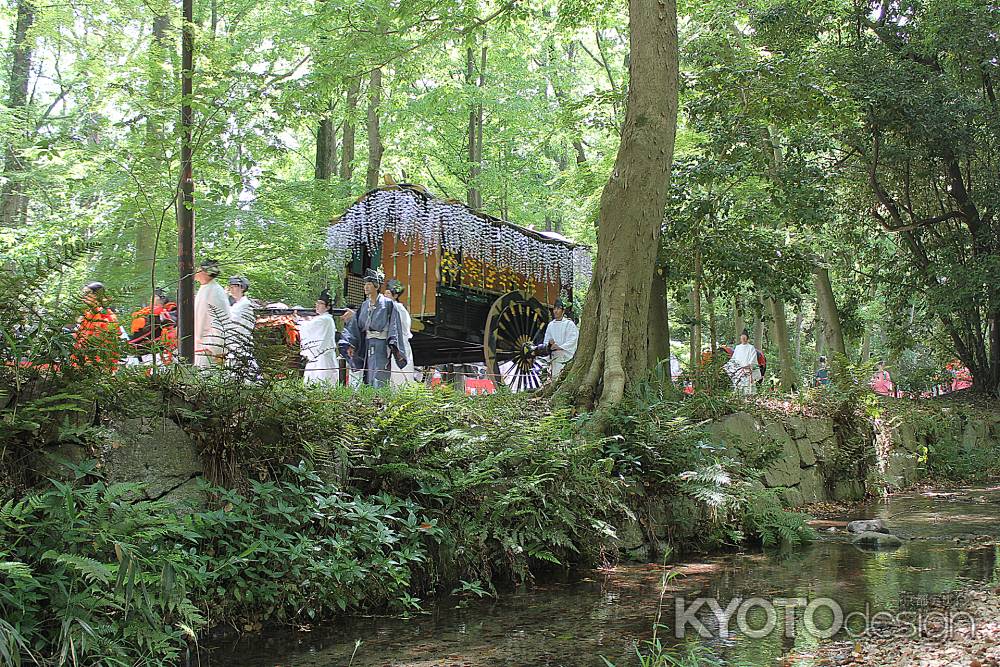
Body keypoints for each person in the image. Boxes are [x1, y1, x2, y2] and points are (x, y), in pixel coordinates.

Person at [338, 269, 407, 388]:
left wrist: (395, 347)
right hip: (367, 343)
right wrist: (351, 344)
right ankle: (369, 402)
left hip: (382, 343)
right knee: (368, 374)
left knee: (380, 373)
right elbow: (356, 326)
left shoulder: (388, 304)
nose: (366, 287)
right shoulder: (364, 305)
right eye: (365, 284)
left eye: (369, 284)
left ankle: (380, 401)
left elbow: (394, 326)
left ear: (376, 286)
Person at [74, 281, 123, 368]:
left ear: (97, 295)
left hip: (100, 360)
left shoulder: (109, 316)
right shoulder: (86, 315)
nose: (83, 296)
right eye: (83, 293)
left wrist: (94, 310)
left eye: (87, 293)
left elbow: (108, 335)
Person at [297, 288, 339, 386]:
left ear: (327, 307)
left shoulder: (325, 319)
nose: (317, 305)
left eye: (320, 303)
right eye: (317, 303)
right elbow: (311, 324)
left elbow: (308, 327)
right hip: (319, 356)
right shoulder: (324, 319)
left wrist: (298, 320)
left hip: (322, 356)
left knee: (322, 381)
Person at [193, 259, 230, 368]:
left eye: (199, 269)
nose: (196, 271)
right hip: (201, 345)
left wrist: (215, 347)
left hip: (209, 347)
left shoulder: (215, 291)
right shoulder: (205, 288)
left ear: (206, 272)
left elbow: (221, 320)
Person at [128, 287, 177, 363]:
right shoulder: (143, 314)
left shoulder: (171, 312)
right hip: (146, 351)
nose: (152, 300)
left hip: (160, 352)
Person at [385, 278, 415, 387]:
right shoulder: (389, 307)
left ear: (395, 296)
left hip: (399, 344)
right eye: (385, 293)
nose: (385, 296)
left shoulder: (397, 307)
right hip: (393, 343)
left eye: (388, 293)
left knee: (400, 375)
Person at [226, 275, 258, 374]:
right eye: (230, 286)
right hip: (234, 344)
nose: (231, 289)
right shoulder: (236, 305)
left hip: (240, 343)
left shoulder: (245, 305)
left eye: (234, 286)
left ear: (242, 288)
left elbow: (229, 319)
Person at [541, 298, 579, 379]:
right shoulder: (551, 325)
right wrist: (549, 345)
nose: (555, 311)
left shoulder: (569, 324)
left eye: (558, 308)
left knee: (559, 357)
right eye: (554, 308)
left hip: (566, 353)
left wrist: (560, 347)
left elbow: (573, 340)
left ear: (563, 311)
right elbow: (546, 340)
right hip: (553, 353)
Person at [725, 330, 761, 395]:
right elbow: (733, 359)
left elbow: (753, 360)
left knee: (748, 387)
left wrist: (748, 365)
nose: (743, 339)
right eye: (742, 338)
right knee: (738, 385)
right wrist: (728, 365)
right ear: (740, 338)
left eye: (745, 338)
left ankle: (749, 399)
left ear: (747, 338)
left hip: (747, 370)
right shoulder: (737, 347)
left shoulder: (751, 348)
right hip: (739, 370)